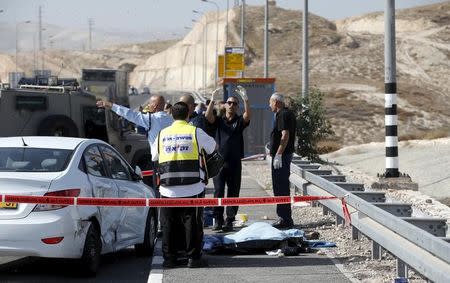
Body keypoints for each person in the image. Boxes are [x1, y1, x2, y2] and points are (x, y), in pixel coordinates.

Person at [151, 102, 216, 268]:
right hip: (192, 186)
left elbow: (154, 156)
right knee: (192, 223)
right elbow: (212, 147)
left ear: (172, 115)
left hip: (168, 188)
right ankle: (193, 258)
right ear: (188, 115)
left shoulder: (162, 134)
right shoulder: (195, 131)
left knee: (168, 223)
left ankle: (170, 259)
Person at [96, 95, 173, 186]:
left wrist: (109, 105)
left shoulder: (151, 119)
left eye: (150, 103)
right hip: (172, 159)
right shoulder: (171, 119)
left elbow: (129, 114)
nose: (148, 105)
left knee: (161, 189)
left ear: (155, 106)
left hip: (160, 162)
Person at [205, 86, 251, 232]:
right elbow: (207, 117)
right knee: (218, 191)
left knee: (233, 192)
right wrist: (212, 101)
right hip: (218, 163)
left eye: (235, 103)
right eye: (229, 102)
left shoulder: (239, 121)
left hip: (234, 163)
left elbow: (247, 116)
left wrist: (246, 99)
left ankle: (229, 220)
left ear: (237, 107)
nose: (231, 105)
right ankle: (218, 220)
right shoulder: (219, 121)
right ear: (225, 105)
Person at [268, 92, 297, 229]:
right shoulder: (287, 113)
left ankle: (285, 219)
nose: (269, 105)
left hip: (282, 156)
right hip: (283, 155)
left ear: (277, 103)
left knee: (280, 187)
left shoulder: (282, 114)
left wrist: (278, 154)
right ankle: (284, 217)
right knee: (281, 187)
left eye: (271, 102)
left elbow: (285, 136)